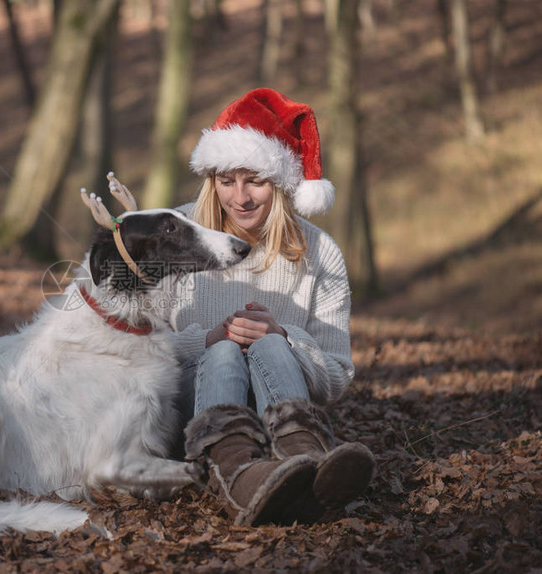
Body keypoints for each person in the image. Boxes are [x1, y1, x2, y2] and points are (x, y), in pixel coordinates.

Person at [168, 88, 375, 526]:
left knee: (272, 345)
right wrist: (206, 339)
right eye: (226, 182)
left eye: (255, 182)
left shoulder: (321, 253)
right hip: (192, 408)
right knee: (224, 351)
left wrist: (285, 337)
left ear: (280, 183)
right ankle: (231, 468)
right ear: (211, 180)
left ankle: (305, 460)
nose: (239, 198)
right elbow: (137, 348)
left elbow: (337, 376)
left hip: (276, 409)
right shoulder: (178, 235)